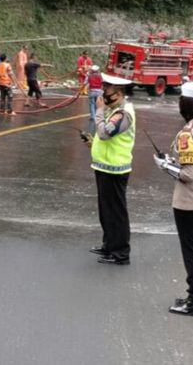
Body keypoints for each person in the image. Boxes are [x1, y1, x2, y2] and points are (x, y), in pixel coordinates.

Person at [154, 82, 193, 317]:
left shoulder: (188, 134)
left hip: (190, 199)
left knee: (192, 251)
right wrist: (175, 161)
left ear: (185, 105)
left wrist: (166, 166)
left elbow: (188, 175)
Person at [84, 73, 135, 265]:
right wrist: (91, 143)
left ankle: (121, 253)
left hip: (116, 169)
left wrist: (98, 111)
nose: (104, 96)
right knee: (106, 211)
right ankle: (109, 245)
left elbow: (105, 133)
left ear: (120, 93)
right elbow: (103, 137)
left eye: (108, 92)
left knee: (116, 213)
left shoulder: (124, 113)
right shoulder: (114, 110)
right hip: (104, 166)